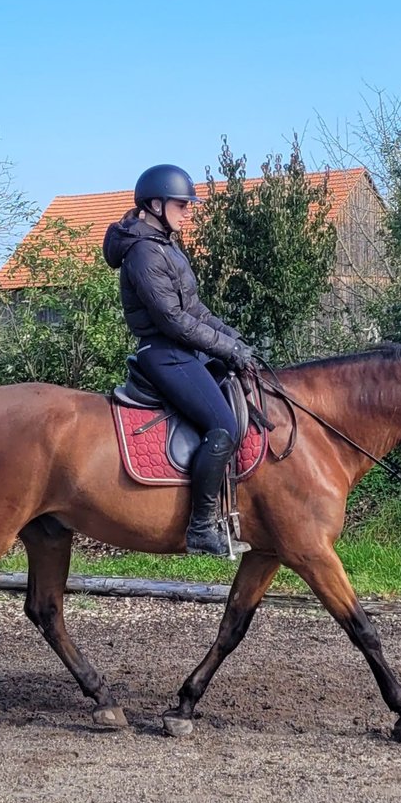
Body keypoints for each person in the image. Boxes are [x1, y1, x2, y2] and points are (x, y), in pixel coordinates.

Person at [103, 164, 256, 556]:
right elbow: (172, 320)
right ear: (155, 204)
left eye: (189, 205)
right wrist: (224, 348)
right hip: (164, 353)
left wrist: (235, 341)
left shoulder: (165, 245)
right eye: (182, 204)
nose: (189, 211)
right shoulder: (143, 253)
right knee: (222, 424)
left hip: (182, 349)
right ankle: (202, 528)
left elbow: (196, 309)